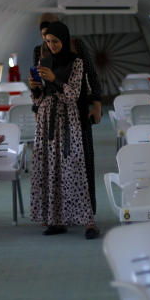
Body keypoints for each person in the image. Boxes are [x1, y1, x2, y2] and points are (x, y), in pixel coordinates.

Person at [29, 21, 98, 239]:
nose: (52, 45)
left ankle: (87, 220)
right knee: (51, 169)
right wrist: (35, 88)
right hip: (47, 121)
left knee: (74, 168)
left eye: (56, 41)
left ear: (65, 40)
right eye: (48, 42)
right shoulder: (44, 61)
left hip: (68, 121)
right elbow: (39, 100)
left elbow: (73, 94)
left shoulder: (76, 62)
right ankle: (56, 219)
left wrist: (54, 79)